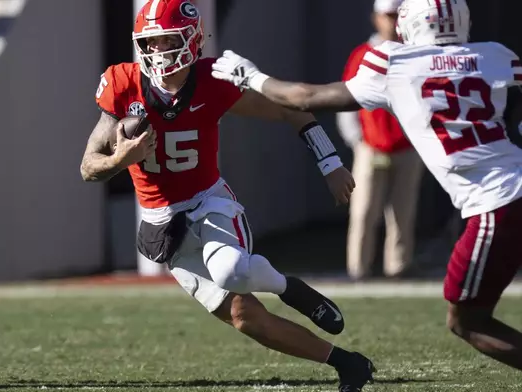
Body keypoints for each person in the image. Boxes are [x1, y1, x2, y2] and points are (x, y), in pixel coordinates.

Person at [212, 0, 522, 371]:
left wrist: (251, 76)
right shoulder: (495, 55)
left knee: (467, 319)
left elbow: (304, 98)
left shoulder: (395, 61)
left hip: (498, 201)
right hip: (507, 186)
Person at [81, 0, 375, 390]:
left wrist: (329, 162)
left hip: (209, 201)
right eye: (149, 43)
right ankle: (348, 364)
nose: (156, 51)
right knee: (245, 317)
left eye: (166, 40)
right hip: (161, 220)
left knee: (233, 271)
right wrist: (122, 157)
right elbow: (88, 167)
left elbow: (293, 109)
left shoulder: (214, 78)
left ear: (191, 40)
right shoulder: (122, 84)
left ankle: (287, 288)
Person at [337, 0, 423, 280]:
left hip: (407, 148)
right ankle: (357, 271)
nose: (393, 21)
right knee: (363, 212)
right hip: (370, 147)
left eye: (398, 15)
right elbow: (345, 101)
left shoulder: (415, 54)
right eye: (388, 15)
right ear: (376, 18)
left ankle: (398, 269)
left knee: (402, 214)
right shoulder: (362, 54)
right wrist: (358, 141)